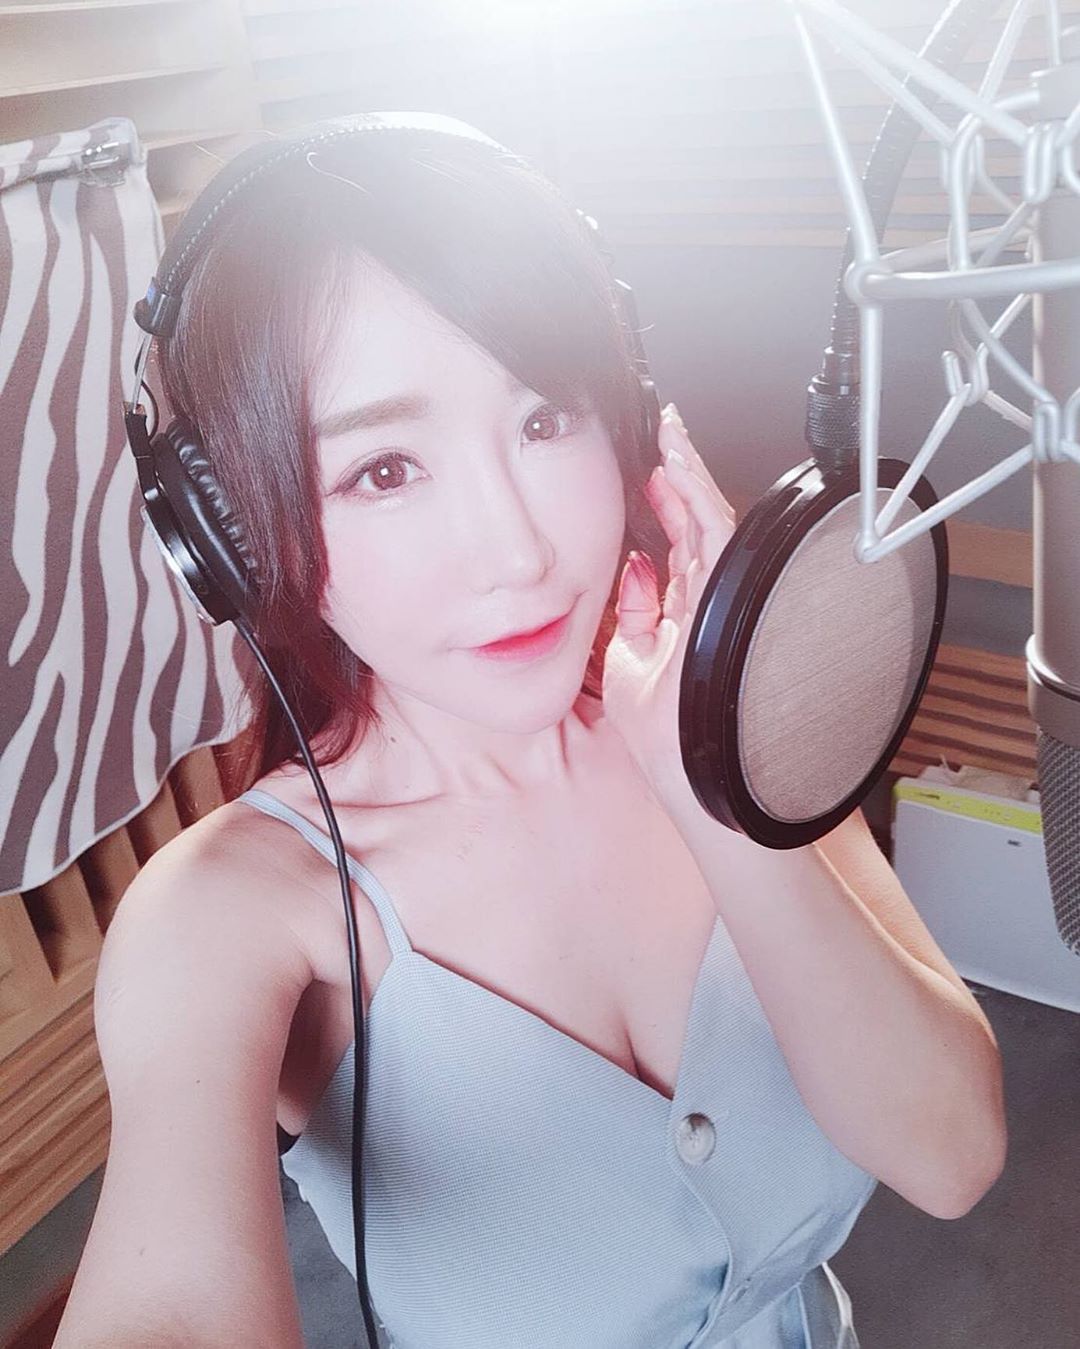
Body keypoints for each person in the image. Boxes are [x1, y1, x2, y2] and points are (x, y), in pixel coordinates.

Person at [56, 122, 1006, 1349]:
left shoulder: (728, 722)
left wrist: (714, 772)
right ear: (232, 537)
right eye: (385, 469)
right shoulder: (223, 918)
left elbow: (952, 1152)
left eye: (547, 418)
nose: (517, 550)